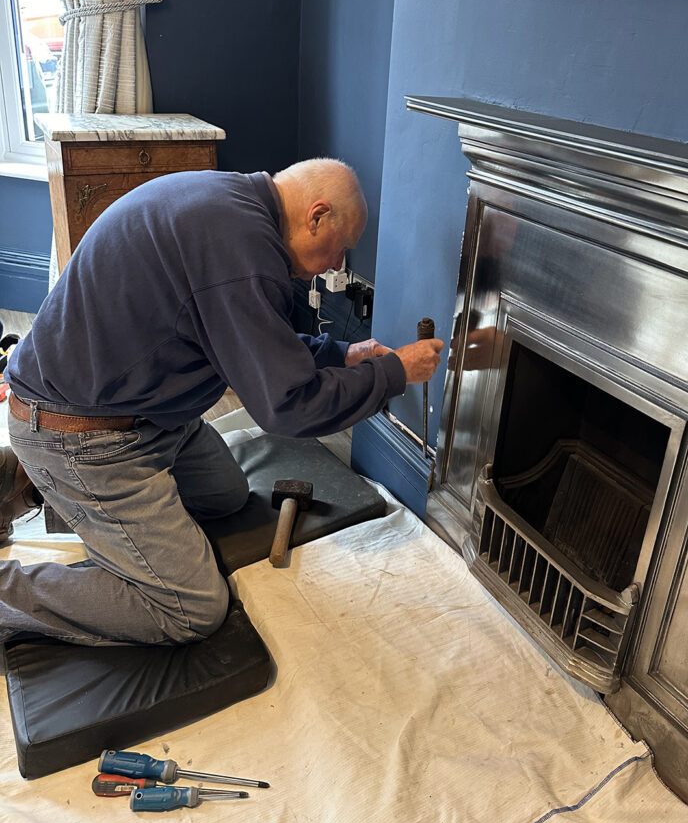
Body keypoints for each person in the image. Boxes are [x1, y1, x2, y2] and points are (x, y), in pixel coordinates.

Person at [0, 159, 443, 646]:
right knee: (190, 609)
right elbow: (288, 407)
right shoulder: (242, 255)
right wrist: (394, 373)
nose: (339, 264)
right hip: (83, 433)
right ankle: (12, 582)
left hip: (147, 410)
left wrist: (344, 352)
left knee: (227, 498)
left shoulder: (237, 206)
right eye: (341, 247)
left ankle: (25, 479)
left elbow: (252, 341)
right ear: (316, 216)